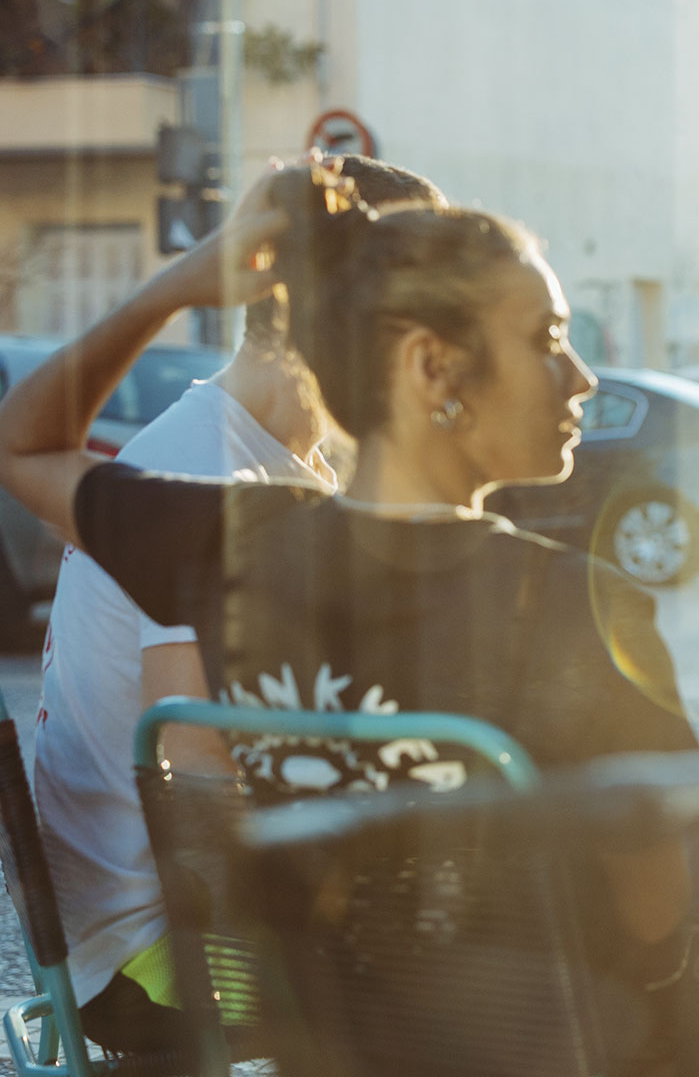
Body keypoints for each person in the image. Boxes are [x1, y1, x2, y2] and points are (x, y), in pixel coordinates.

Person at [0, 164, 699, 1067]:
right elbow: (655, 908)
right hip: (512, 1036)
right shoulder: (582, 603)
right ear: (428, 366)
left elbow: (23, 443)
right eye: (549, 338)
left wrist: (185, 283)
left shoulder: (227, 541)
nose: (581, 378)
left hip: (321, 1017)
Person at [30, 156, 445, 1055]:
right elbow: (196, 771)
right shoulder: (209, 468)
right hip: (167, 951)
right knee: (494, 971)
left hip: (158, 919)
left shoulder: (274, 457)